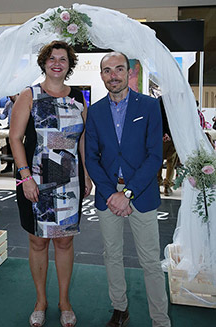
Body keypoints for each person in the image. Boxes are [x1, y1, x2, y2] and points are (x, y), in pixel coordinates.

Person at [9, 40, 92, 327]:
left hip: (69, 180)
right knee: (38, 240)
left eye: (63, 59)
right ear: (44, 62)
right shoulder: (29, 94)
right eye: (52, 58)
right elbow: (15, 138)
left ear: (69, 65)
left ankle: (64, 301)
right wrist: (25, 177)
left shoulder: (79, 97)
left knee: (65, 240)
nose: (57, 63)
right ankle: (41, 301)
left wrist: (86, 173)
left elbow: (81, 139)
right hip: (35, 179)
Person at [85, 52, 171, 327]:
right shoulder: (96, 111)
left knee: (150, 262)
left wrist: (128, 194)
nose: (114, 75)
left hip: (141, 195)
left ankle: (160, 319)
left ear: (129, 73)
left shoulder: (148, 106)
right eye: (107, 70)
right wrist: (112, 194)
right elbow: (92, 157)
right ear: (102, 76)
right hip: (108, 197)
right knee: (112, 255)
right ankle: (120, 309)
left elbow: (154, 156)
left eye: (119, 69)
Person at [157, 96, 178, 196]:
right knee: (171, 162)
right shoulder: (177, 100)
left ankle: (157, 184)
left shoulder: (159, 100)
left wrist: (162, 133)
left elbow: (157, 118)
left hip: (160, 136)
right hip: (173, 135)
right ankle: (167, 186)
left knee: (158, 161)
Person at [0, 94, 18, 173]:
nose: (10, 96)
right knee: (9, 146)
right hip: (10, 126)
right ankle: (9, 166)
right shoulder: (8, 104)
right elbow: (4, 116)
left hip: (18, 127)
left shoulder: (21, 102)